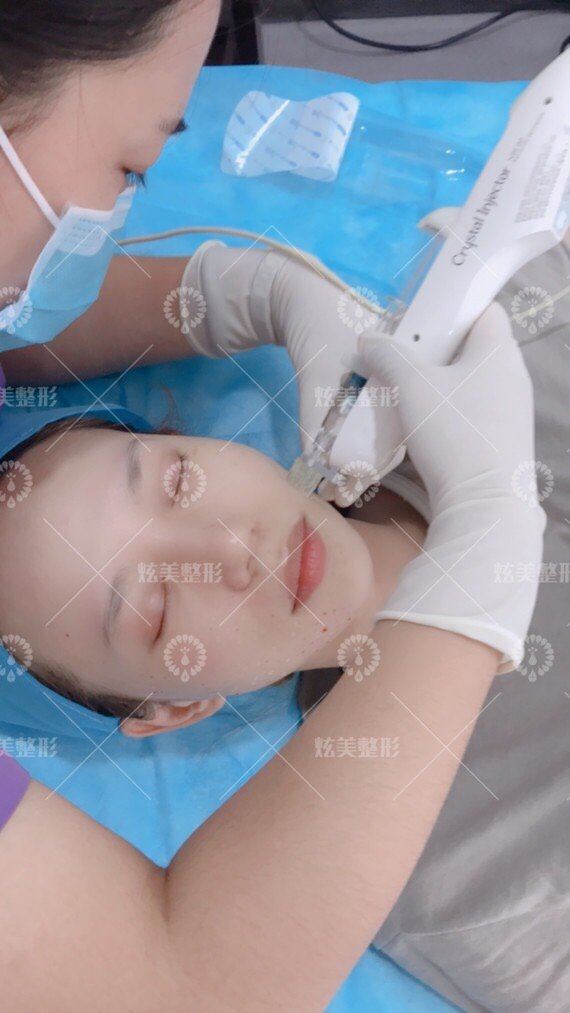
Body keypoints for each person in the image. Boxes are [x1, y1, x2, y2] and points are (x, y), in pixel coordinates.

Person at [0, 297, 545, 1007]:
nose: (230, 547)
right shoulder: (445, 862)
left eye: (178, 480)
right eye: (155, 610)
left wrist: (247, 287)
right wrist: (485, 526)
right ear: (177, 707)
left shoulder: (469, 359)